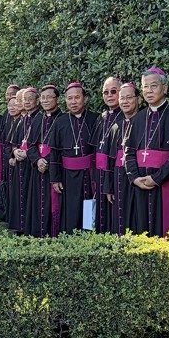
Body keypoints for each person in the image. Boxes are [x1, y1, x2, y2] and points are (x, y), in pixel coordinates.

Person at [123, 67, 169, 236]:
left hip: (166, 182)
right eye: (145, 87)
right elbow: (128, 152)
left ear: (164, 88)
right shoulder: (138, 118)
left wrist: (156, 178)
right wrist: (134, 178)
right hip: (140, 184)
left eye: (153, 86)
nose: (148, 91)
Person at [49, 82, 97, 233]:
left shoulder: (95, 119)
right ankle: (70, 235)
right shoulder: (60, 122)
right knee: (70, 206)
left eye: (77, 97)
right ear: (65, 100)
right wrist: (54, 178)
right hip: (67, 175)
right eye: (70, 98)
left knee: (89, 204)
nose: (73, 101)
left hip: (89, 174)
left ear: (84, 98)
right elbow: (54, 152)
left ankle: (89, 233)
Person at [23, 84, 62, 237]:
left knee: (53, 203)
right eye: (43, 98)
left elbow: (61, 147)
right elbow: (31, 145)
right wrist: (37, 160)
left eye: (49, 97)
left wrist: (46, 161)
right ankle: (37, 231)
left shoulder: (63, 119)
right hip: (38, 167)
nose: (45, 100)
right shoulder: (37, 119)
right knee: (37, 201)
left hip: (54, 167)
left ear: (57, 99)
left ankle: (53, 232)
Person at [102, 81, 140, 234]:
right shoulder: (115, 127)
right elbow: (110, 161)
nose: (125, 102)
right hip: (118, 180)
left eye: (129, 97)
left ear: (138, 99)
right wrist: (108, 187)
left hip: (137, 177)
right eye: (122, 98)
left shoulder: (142, 121)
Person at [90, 77, 123, 232]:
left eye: (113, 91)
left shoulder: (125, 117)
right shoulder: (101, 117)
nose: (109, 95)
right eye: (105, 92)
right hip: (98, 172)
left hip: (114, 172)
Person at [5, 88, 36, 233]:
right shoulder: (21, 121)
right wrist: (15, 151)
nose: (26, 102)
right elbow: (13, 143)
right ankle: (20, 225)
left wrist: (27, 153)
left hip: (31, 163)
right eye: (24, 100)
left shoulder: (39, 119)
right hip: (20, 162)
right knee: (19, 193)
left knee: (29, 195)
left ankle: (28, 225)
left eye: (29, 99)